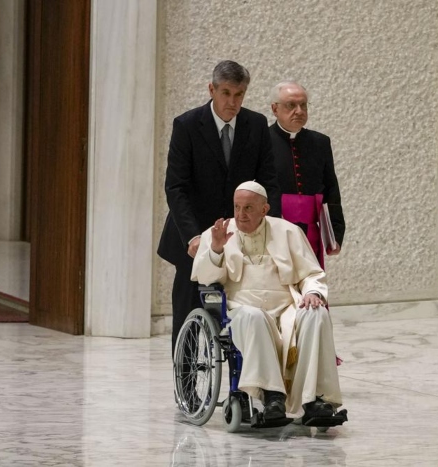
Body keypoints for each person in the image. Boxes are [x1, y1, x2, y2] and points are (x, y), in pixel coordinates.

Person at [191, 181, 345, 425]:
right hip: (241, 308)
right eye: (237, 207)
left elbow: (312, 274)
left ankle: (314, 399)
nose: (241, 215)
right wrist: (217, 250)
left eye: (249, 208)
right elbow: (206, 280)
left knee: (317, 314)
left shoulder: (288, 231)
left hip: (287, 308)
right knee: (254, 317)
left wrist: (313, 293)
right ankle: (273, 397)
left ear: (265, 209)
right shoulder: (218, 233)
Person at [158, 60, 281, 358]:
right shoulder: (186, 125)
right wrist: (193, 237)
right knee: (189, 307)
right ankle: (186, 381)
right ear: (211, 89)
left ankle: (245, 382)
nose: (233, 102)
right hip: (194, 236)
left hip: (242, 233)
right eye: (226, 93)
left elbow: (267, 183)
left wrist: (258, 225)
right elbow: (176, 187)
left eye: (239, 94)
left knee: (245, 307)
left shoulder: (255, 126)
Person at [269, 81, 345, 267]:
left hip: (311, 232)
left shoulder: (320, 142)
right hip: (273, 230)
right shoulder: (262, 141)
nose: (299, 111)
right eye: (291, 105)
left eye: (303, 105)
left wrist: (335, 234)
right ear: (274, 109)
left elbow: (331, 189)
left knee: (311, 288)